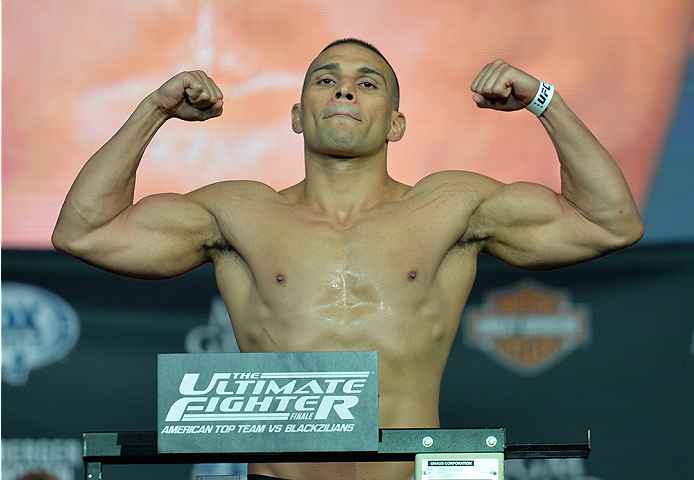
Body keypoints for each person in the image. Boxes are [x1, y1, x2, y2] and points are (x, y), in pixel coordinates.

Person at [52, 38, 643, 480]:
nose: (343, 90)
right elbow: (86, 232)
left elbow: (609, 222)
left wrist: (544, 101)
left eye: (368, 83)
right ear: (296, 115)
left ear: (397, 124)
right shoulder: (238, 213)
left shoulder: (452, 205)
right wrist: (155, 108)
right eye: (325, 79)